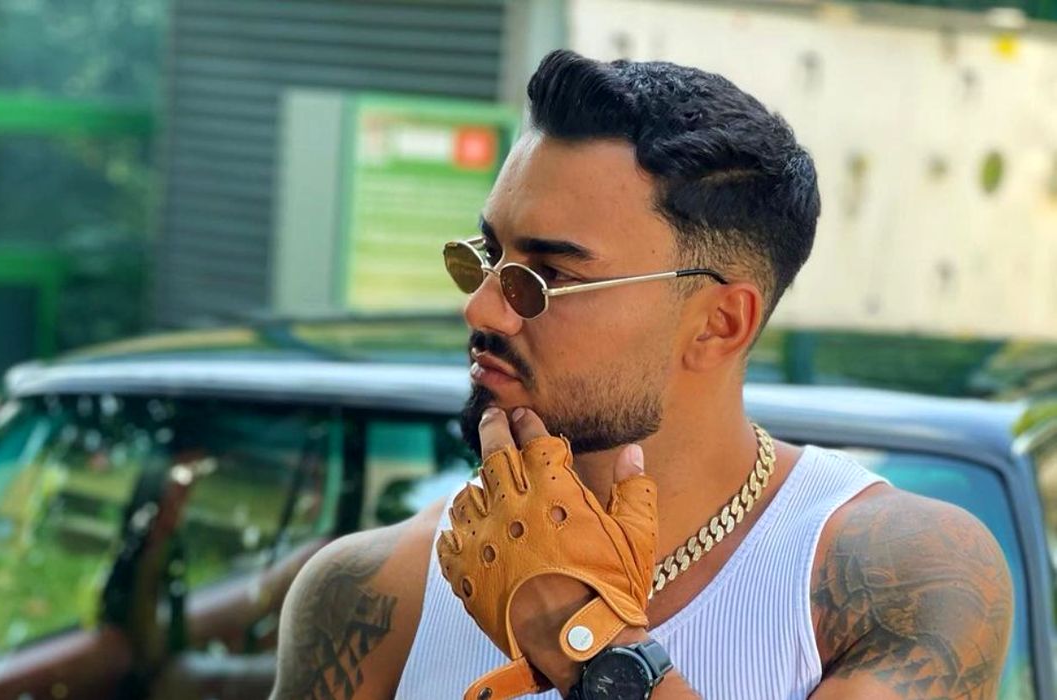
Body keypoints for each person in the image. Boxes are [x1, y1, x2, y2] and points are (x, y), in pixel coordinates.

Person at [270, 49, 1012, 699]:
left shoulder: (894, 575)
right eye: (490, 255)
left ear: (719, 323)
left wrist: (581, 637)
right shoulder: (373, 591)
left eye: (548, 276)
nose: (482, 308)